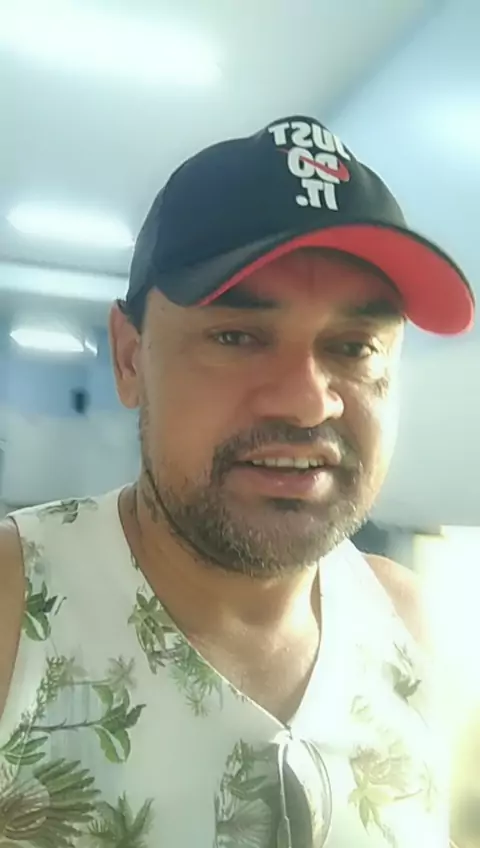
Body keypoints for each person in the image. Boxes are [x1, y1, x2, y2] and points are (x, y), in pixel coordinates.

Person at [0, 115, 474, 847]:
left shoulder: (410, 628)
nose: (308, 401)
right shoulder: (16, 607)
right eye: (236, 336)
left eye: (354, 347)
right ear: (129, 359)